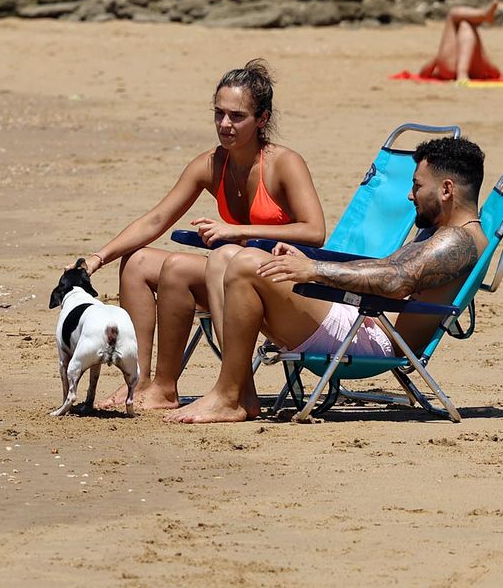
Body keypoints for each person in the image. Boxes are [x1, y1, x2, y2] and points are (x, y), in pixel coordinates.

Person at [164, 136, 486, 424]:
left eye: (417, 185)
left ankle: (228, 396)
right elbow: (385, 267)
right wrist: (312, 260)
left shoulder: (458, 241)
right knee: (225, 257)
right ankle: (237, 391)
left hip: (373, 335)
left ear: (446, 190)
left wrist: (315, 272)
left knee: (247, 263)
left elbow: (396, 281)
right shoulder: (440, 231)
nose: (409, 195)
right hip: (363, 317)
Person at [79, 60, 326, 410]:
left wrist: (237, 230)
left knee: (179, 265)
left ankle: (197, 389)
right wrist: (98, 258)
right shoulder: (210, 164)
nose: (225, 125)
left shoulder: (285, 163)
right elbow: (157, 219)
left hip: (281, 282)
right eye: (219, 114)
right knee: (138, 263)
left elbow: (315, 232)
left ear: (263, 119)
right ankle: (145, 383)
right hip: (228, 274)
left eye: (237, 116)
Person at [418, 0, 503, 82]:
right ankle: (483, 15)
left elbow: (423, 74)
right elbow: (496, 74)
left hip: (449, 68)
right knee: (465, 25)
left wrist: (437, 59)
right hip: (477, 70)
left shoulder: (449, 54)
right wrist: (486, 63)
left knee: (454, 15)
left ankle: (483, 15)